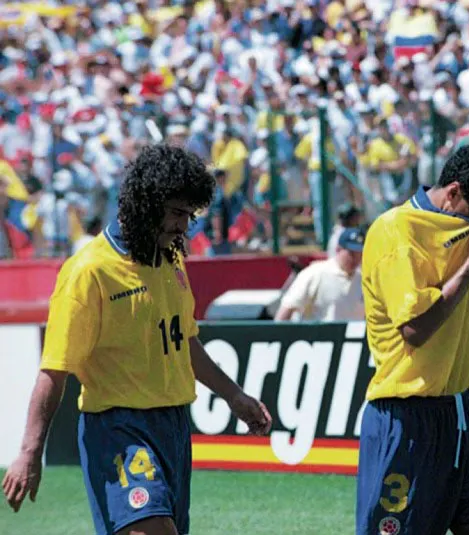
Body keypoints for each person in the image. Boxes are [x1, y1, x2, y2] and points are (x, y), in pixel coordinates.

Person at [2, 144, 272, 535]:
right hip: (117, 428)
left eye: (190, 214)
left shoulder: (171, 260)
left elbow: (185, 342)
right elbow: (54, 370)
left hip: (174, 426)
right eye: (178, 213)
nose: (185, 226)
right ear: (147, 204)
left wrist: (234, 396)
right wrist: (29, 452)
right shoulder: (89, 271)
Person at [357, 141, 469, 535]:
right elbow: (415, 330)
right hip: (407, 417)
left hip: (463, 413)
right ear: (455, 192)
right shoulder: (397, 231)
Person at [274, 226, 366, 321]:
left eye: (359, 253)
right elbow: (287, 309)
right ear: (338, 249)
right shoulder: (316, 273)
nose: (355, 258)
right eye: (351, 253)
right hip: (318, 335)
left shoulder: (364, 279)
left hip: (353, 334)